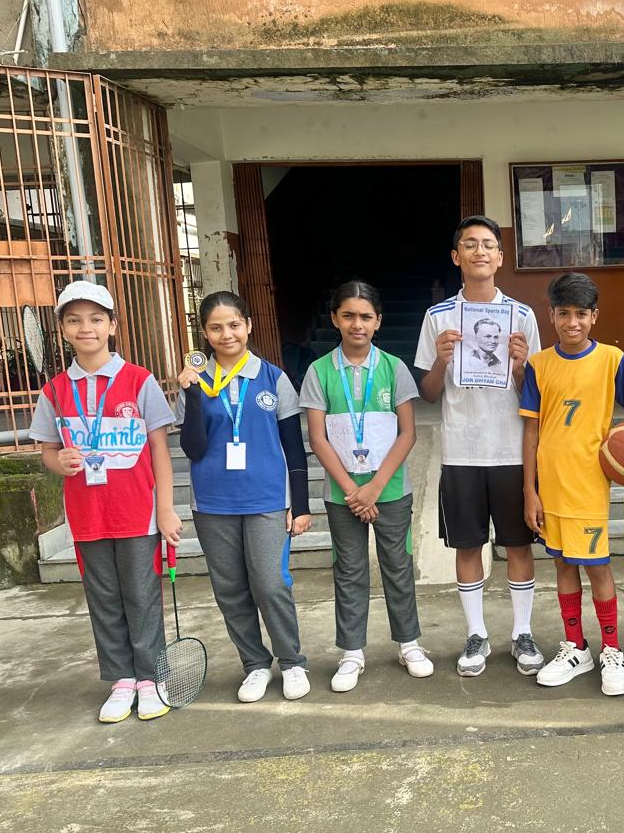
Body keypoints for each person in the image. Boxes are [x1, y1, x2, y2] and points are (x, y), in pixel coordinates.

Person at [29, 281, 182, 723]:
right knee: (103, 598)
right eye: (74, 320)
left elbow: (160, 450)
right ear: (62, 329)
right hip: (88, 516)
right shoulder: (55, 390)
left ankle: (151, 678)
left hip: (137, 513)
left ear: (112, 325)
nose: (86, 328)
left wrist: (165, 508)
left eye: (96, 319)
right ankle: (121, 680)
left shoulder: (139, 381)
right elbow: (47, 452)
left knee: (142, 596)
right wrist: (59, 461)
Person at [520, 272, 624, 696]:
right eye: (564, 313)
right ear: (551, 315)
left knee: (597, 567)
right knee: (562, 564)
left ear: (595, 316)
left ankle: (612, 649)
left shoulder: (611, 359)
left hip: (589, 483)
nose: (572, 322)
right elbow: (531, 432)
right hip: (551, 484)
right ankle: (575, 647)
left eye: (581, 314)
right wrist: (529, 490)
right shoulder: (538, 364)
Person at [415, 215, 545, 677]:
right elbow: (429, 393)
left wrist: (520, 367)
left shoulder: (522, 316)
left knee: (519, 545)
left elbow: (534, 393)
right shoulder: (438, 317)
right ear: (457, 256)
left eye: (488, 244)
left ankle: (522, 632)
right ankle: (476, 634)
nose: (480, 252)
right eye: (470, 244)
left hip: (511, 449)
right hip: (461, 451)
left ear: (500, 257)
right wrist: (440, 361)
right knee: (467, 546)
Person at [175, 291, 314, 703]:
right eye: (216, 327)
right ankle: (254, 664)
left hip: (267, 499)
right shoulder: (195, 381)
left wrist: (300, 505)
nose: (227, 334)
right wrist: (194, 395)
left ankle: (291, 661)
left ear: (249, 325)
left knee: (270, 585)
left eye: (234, 325)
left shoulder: (273, 378)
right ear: (204, 332)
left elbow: (294, 447)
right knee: (231, 590)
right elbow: (193, 448)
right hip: (212, 502)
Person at [302, 280, 431, 693]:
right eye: (348, 316)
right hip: (342, 495)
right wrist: (352, 490)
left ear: (378, 322)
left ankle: (409, 643)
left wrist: (374, 487)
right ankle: (352, 651)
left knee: (398, 567)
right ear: (334, 319)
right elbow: (318, 438)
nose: (357, 324)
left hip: (390, 490)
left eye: (365, 316)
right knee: (349, 571)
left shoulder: (394, 368)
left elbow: (408, 433)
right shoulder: (319, 371)